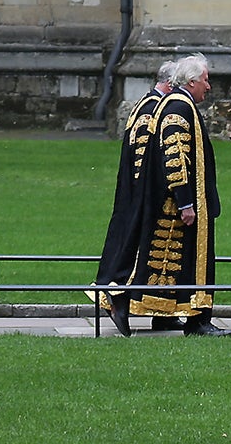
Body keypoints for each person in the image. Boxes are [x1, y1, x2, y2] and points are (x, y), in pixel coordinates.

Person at [94, 54, 230, 336]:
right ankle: (197, 320)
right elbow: (175, 158)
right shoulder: (179, 107)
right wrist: (186, 202)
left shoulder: (175, 104)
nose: (208, 86)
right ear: (192, 81)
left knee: (170, 265)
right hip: (175, 206)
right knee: (181, 261)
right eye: (205, 80)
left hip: (169, 203)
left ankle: (168, 314)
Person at [92, 61, 178, 334]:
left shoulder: (146, 104)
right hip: (143, 198)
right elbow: (144, 161)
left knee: (159, 256)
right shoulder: (152, 109)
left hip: (138, 195)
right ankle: (117, 299)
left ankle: (163, 311)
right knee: (136, 252)